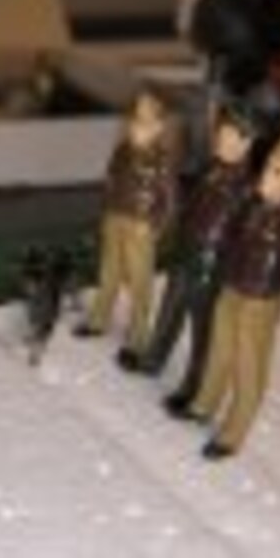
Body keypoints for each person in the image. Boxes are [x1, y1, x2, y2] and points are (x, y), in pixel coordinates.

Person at [173, 136, 280, 460]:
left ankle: (234, 432)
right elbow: (231, 237)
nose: (268, 177)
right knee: (220, 349)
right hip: (233, 286)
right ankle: (205, 403)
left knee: (249, 365)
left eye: (279, 172)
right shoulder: (253, 205)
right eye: (269, 168)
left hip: (259, 299)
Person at [130, 106, 256, 420]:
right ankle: (153, 358)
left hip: (211, 266)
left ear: (246, 143)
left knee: (204, 332)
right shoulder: (211, 169)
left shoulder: (246, 189)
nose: (220, 141)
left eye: (229, 136)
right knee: (170, 308)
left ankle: (194, 388)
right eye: (220, 134)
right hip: (186, 253)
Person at [76, 85, 178, 367]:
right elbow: (110, 183)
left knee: (140, 284)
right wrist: (106, 213)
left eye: (146, 120)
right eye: (135, 118)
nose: (137, 126)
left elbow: (169, 201)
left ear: (158, 126)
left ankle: (137, 337)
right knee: (108, 273)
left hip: (140, 227)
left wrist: (155, 227)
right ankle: (99, 319)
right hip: (115, 220)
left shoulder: (162, 161)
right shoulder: (121, 150)